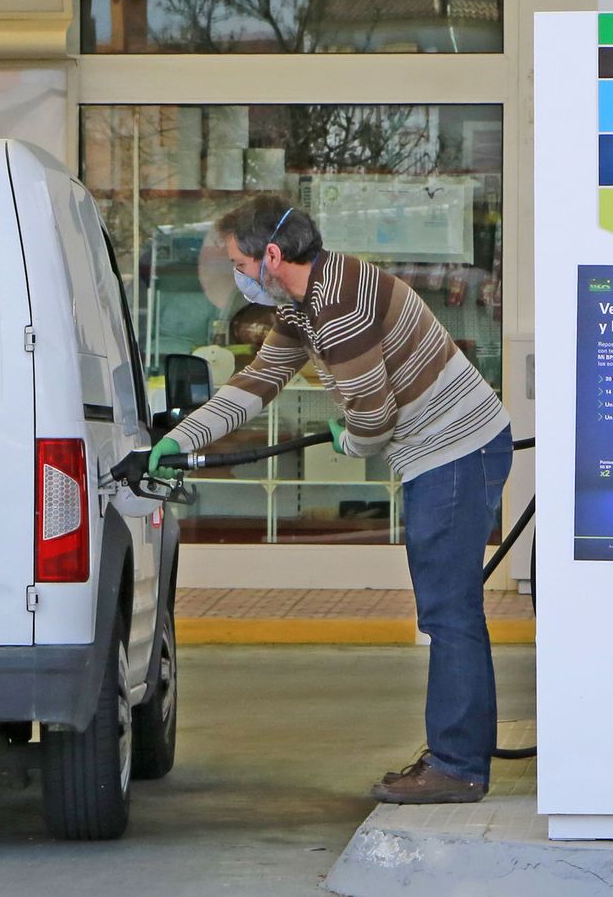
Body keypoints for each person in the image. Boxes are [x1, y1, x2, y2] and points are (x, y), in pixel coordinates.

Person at [150, 195, 512, 805]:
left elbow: (372, 421)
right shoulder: (306, 303)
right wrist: (180, 440)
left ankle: (458, 766)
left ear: (270, 255)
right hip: (439, 453)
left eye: (240, 262)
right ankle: (456, 753)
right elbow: (257, 382)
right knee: (448, 612)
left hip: (457, 451)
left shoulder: (341, 304)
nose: (238, 277)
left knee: (449, 615)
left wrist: (351, 434)